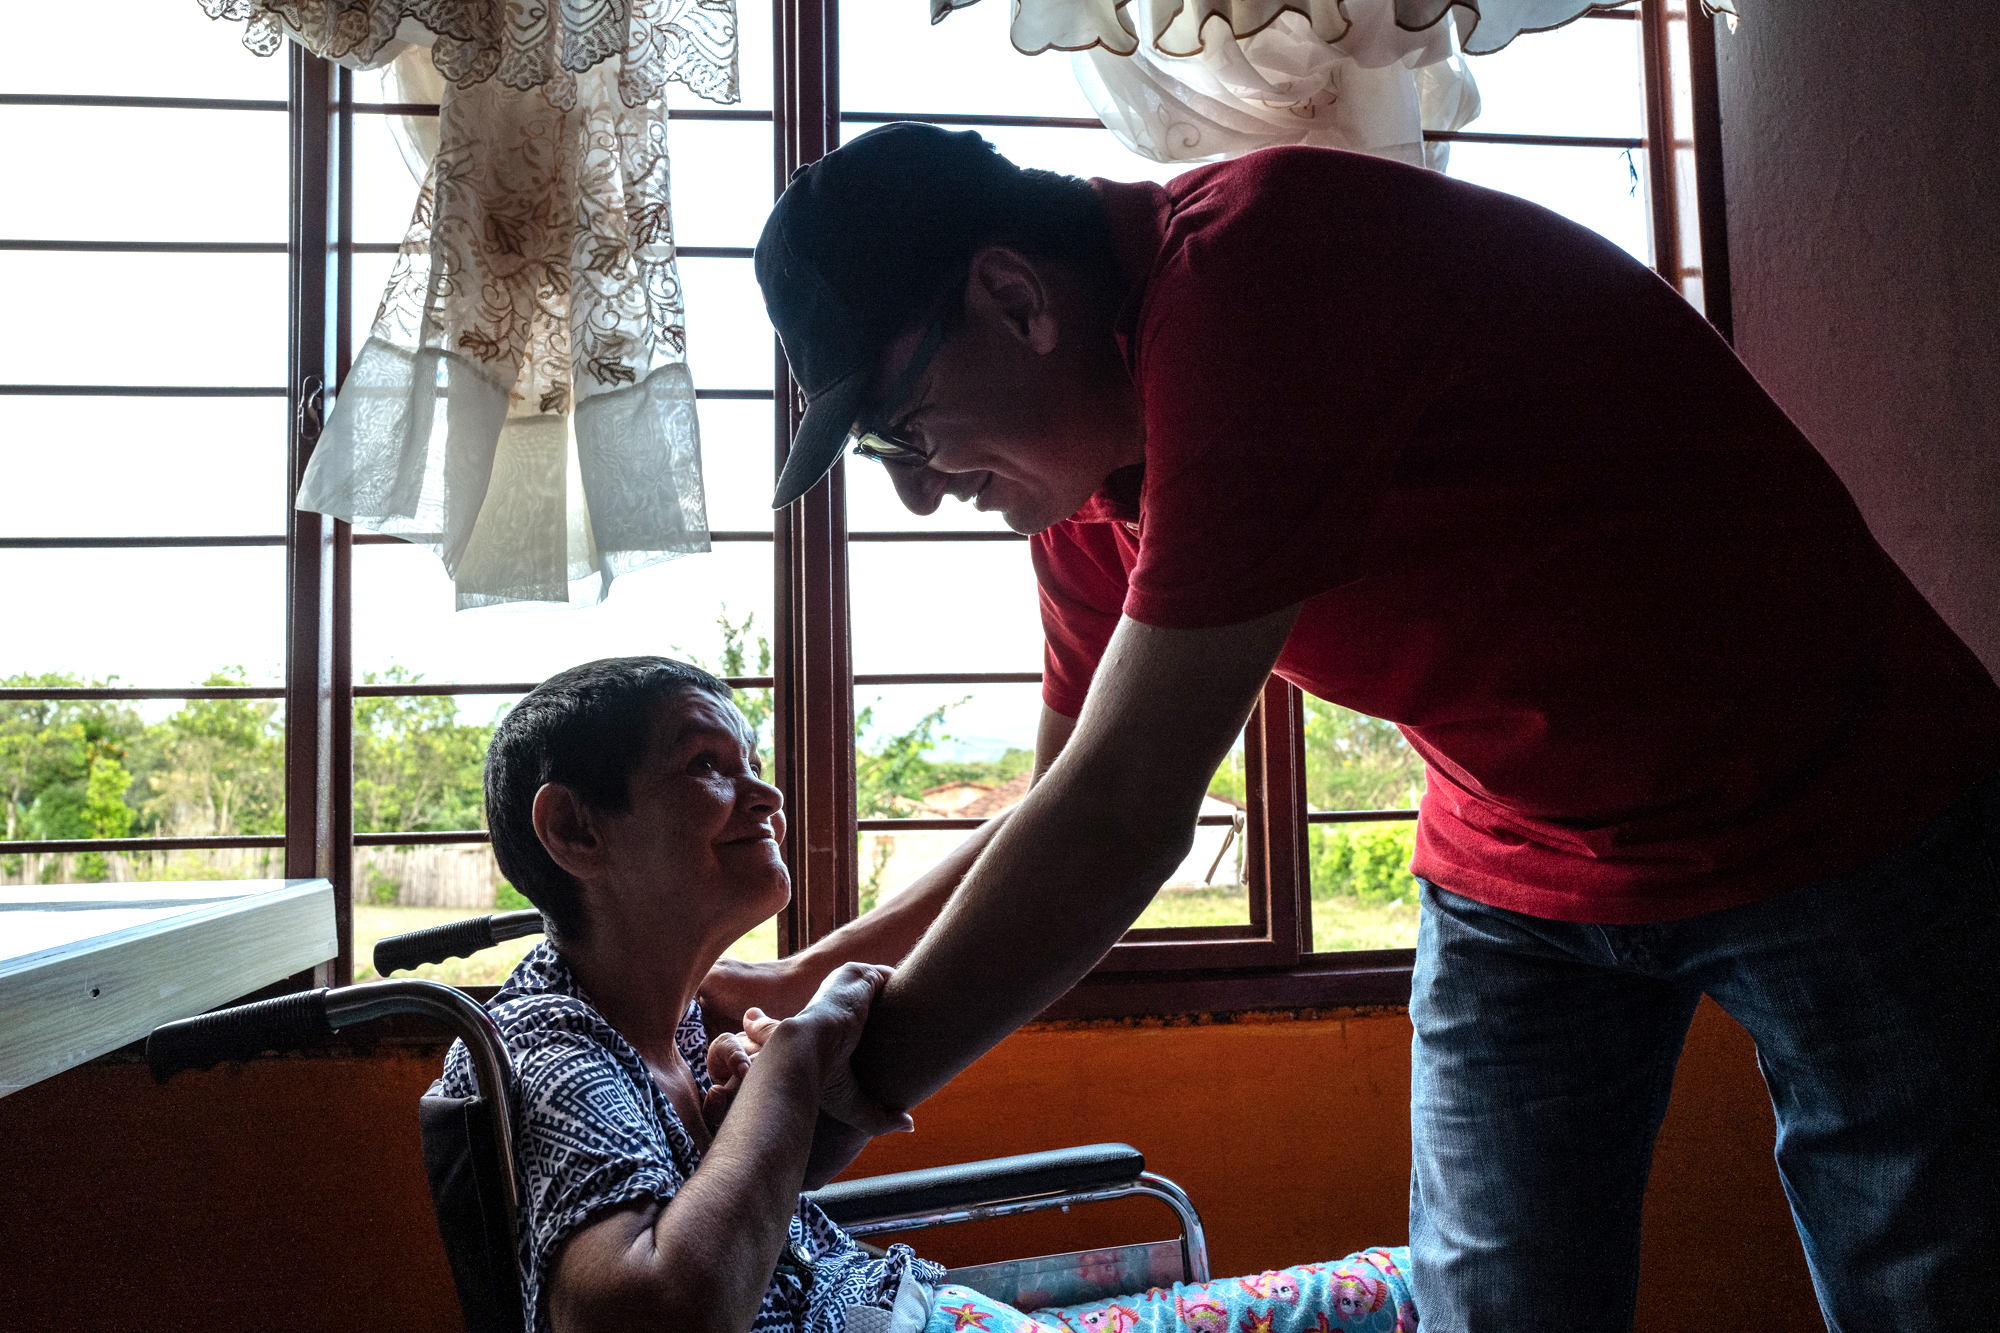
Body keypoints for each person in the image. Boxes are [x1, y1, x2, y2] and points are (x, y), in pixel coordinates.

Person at [725, 123, 2000, 1331]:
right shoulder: (1078, 498)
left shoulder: (1251, 277)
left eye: (899, 425)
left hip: (1841, 809)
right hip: (1519, 867)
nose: (916, 487)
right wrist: (815, 977)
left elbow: (1121, 817)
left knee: (1931, 1288)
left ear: (1014, 297)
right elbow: (1052, 809)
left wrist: (837, 1098)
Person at [433, 655, 1418, 1333]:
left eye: (751, 763)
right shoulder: (555, 1052)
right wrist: (783, 1070)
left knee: (1416, 1282)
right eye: (705, 767)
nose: (765, 795)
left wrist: (759, 1099)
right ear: (573, 829)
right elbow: (642, 1321)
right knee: (1417, 1291)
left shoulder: (664, 1012)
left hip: (910, 1301)